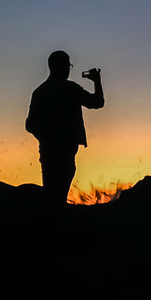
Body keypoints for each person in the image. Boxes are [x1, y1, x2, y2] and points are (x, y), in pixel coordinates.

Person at [25, 50, 105, 201]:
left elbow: (30, 125)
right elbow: (97, 102)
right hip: (64, 153)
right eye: (68, 65)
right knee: (57, 197)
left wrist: (46, 138)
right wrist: (97, 81)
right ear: (62, 67)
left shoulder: (40, 92)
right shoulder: (71, 89)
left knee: (51, 194)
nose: (69, 69)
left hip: (48, 153)